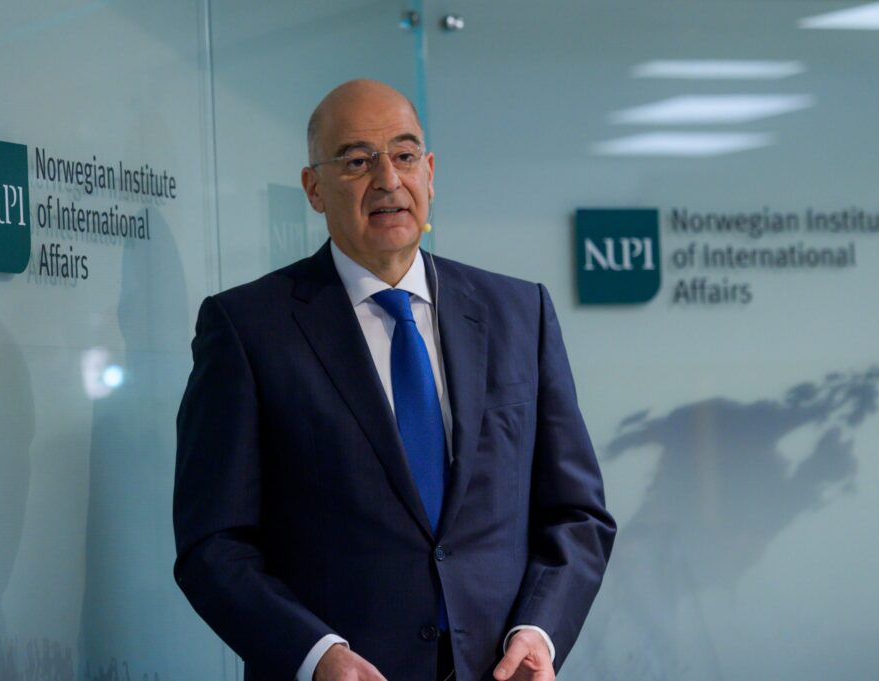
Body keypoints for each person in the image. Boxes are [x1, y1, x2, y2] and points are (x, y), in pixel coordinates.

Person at [173, 80, 615, 681]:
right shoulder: (248, 328)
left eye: (404, 156)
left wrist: (539, 631)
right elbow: (213, 544)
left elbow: (577, 515)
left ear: (429, 173)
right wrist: (313, 654)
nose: (388, 180)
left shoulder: (520, 313)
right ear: (314, 189)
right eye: (357, 161)